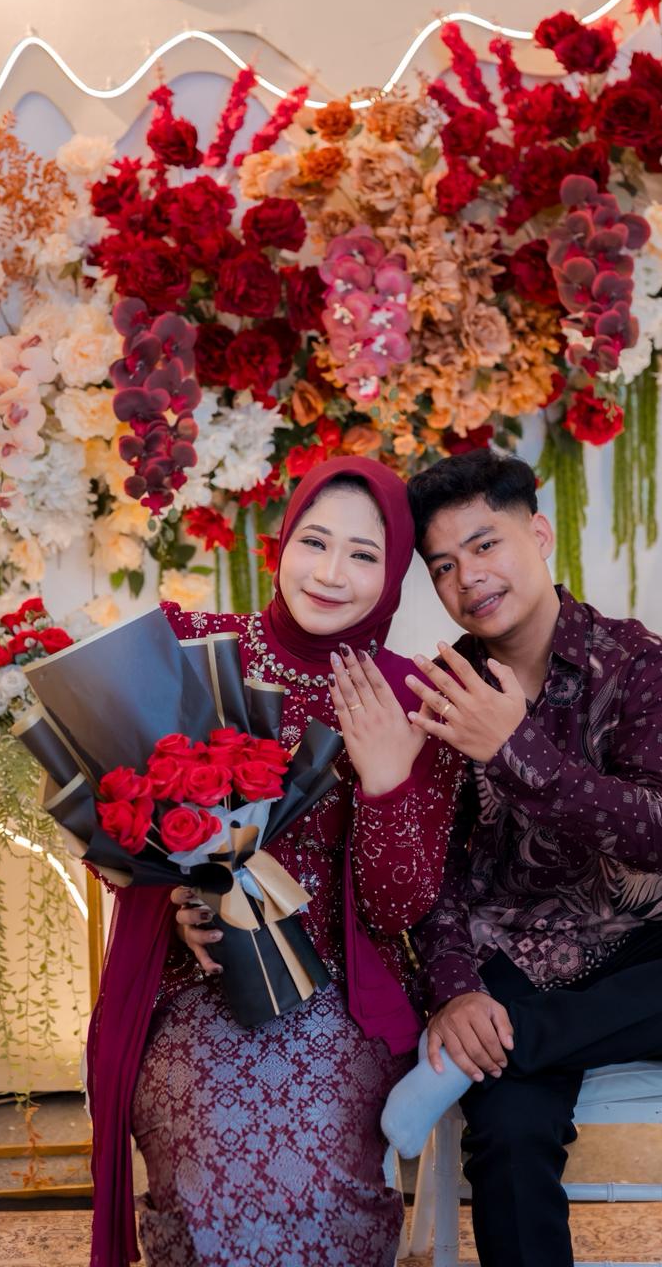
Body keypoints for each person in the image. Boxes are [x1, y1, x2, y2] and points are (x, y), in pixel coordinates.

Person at [382, 448, 662, 1267]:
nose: (468, 577)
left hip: (634, 948)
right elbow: (433, 877)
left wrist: (514, 749)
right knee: (509, 1132)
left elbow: (655, 829)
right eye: (443, 565)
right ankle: (499, 1048)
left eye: (485, 544)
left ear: (538, 535)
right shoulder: (438, 695)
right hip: (507, 957)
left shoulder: (643, 664)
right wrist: (457, 991)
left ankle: (510, 1048)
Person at [85, 457, 464, 1267]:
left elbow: (399, 907)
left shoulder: (413, 697)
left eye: (363, 555)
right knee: (207, 1167)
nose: (330, 573)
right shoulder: (195, 649)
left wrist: (387, 782)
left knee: (315, 1174)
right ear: (281, 543)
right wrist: (174, 898)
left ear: (395, 572)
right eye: (315, 542)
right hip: (196, 985)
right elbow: (113, 821)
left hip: (343, 996)